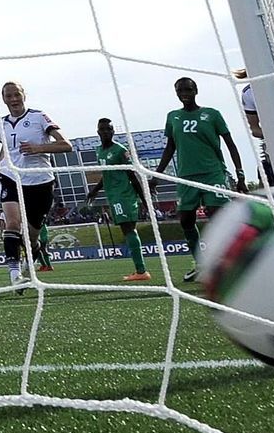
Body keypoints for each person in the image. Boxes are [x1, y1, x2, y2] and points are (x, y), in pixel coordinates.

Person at [153, 76, 246, 282]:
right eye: (180, 90)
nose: (184, 94)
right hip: (186, 176)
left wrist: (240, 174)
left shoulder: (212, 114)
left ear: (196, 91)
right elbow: (170, 147)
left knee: (218, 216)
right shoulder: (173, 117)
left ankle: (229, 262)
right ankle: (201, 264)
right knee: (186, 219)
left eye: (188, 90)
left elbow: (230, 144)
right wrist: (157, 175)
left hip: (212, 172)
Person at [0, 82, 71, 293]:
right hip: (11, 176)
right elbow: (6, 150)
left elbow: (66, 145)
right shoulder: (0, 124)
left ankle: (31, 257)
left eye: (17, 94)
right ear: (4, 98)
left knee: (32, 237)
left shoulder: (39, 117)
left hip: (39, 180)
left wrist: (39, 148)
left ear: (24, 96)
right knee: (12, 223)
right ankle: (15, 275)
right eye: (9, 96)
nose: (14, 99)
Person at [84, 117, 151, 282]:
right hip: (113, 195)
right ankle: (139, 270)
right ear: (98, 132)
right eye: (103, 129)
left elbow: (132, 176)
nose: (106, 132)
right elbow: (106, 174)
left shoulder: (120, 150)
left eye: (109, 129)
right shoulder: (99, 151)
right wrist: (95, 190)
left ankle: (141, 271)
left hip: (124, 195)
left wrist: (145, 200)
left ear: (113, 131)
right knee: (126, 229)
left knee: (129, 229)